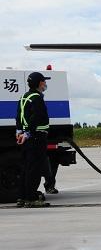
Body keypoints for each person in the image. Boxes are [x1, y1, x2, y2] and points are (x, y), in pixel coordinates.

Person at [14, 72, 51, 208]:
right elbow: (36, 117)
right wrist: (29, 132)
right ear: (40, 83)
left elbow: (18, 116)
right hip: (36, 137)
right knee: (34, 169)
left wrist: (20, 132)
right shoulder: (37, 98)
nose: (45, 84)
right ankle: (31, 198)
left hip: (26, 138)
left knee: (25, 168)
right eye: (44, 82)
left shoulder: (24, 97)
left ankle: (21, 197)